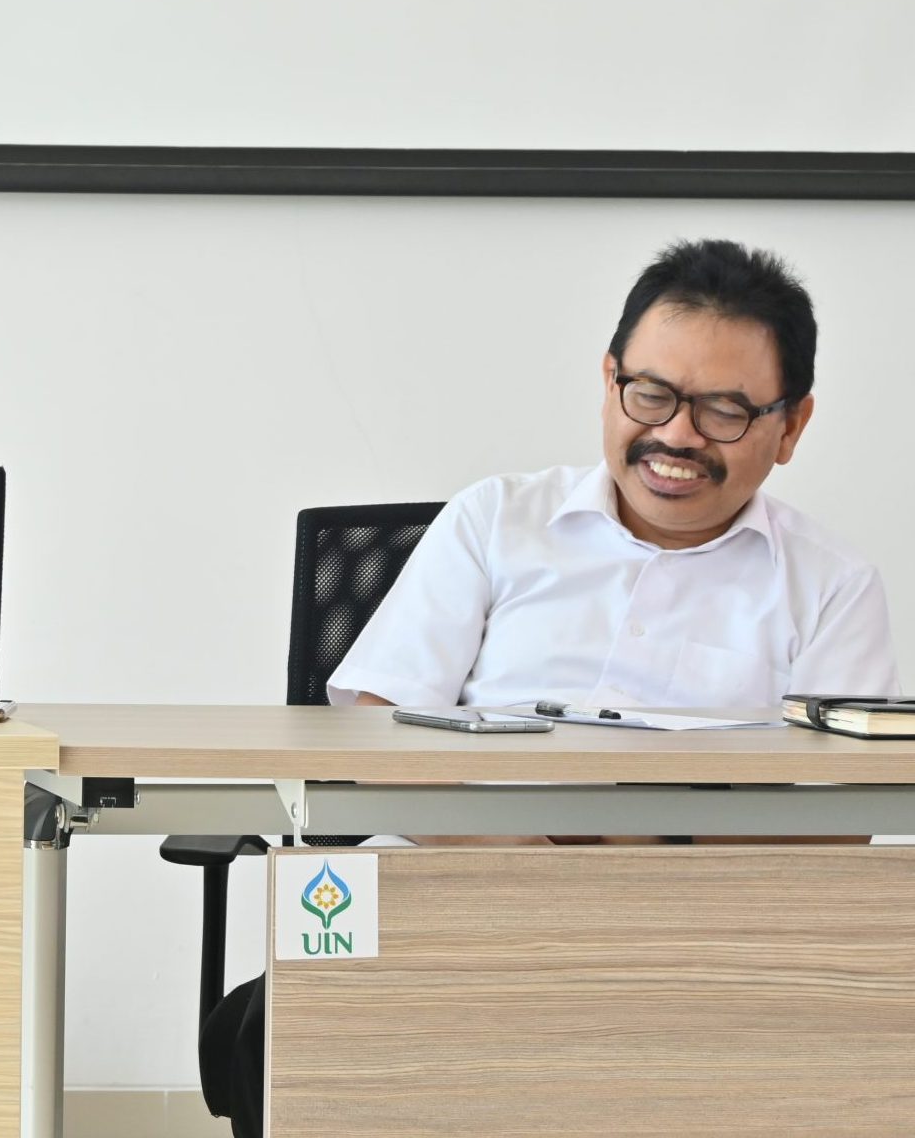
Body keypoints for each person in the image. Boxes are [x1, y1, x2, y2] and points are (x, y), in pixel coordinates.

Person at [202, 238, 899, 1137]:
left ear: (791, 425)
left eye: (725, 410)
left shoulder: (833, 582)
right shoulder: (496, 520)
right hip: (449, 869)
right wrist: (529, 859)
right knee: (293, 1008)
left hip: (695, 923)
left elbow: (841, 812)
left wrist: (635, 853)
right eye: (651, 394)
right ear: (609, 381)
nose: (677, 435)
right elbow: (373, 729)